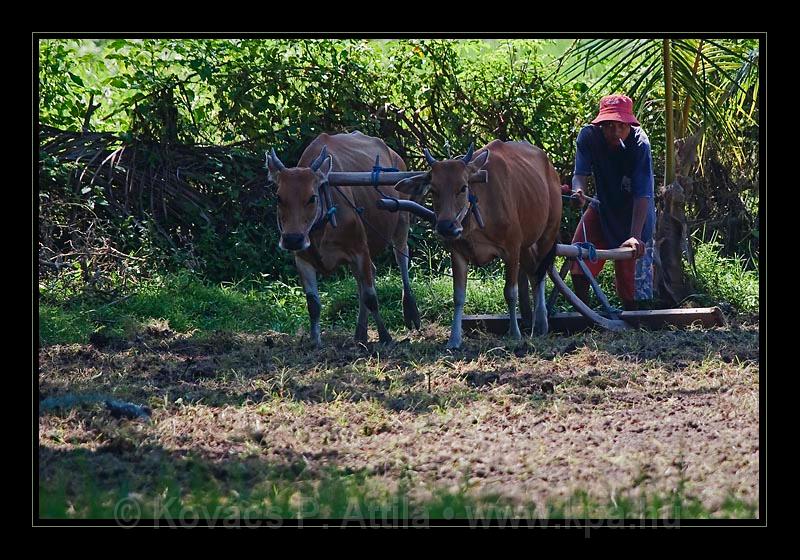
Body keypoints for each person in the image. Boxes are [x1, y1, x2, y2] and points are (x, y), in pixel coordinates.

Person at [569, 94, 656, 311]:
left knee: (631, 277)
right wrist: (578, 190)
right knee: (578, 256)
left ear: (630, 125)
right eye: (609, 126)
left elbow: (643, 194)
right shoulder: (589, 137)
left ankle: (634, 317)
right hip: (603, 205)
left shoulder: (640, 144)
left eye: (621, 126)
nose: (615, 132)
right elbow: (579, 174)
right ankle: (584, 313)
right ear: (600, 125)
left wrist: (634, 235)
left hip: (635, 212)